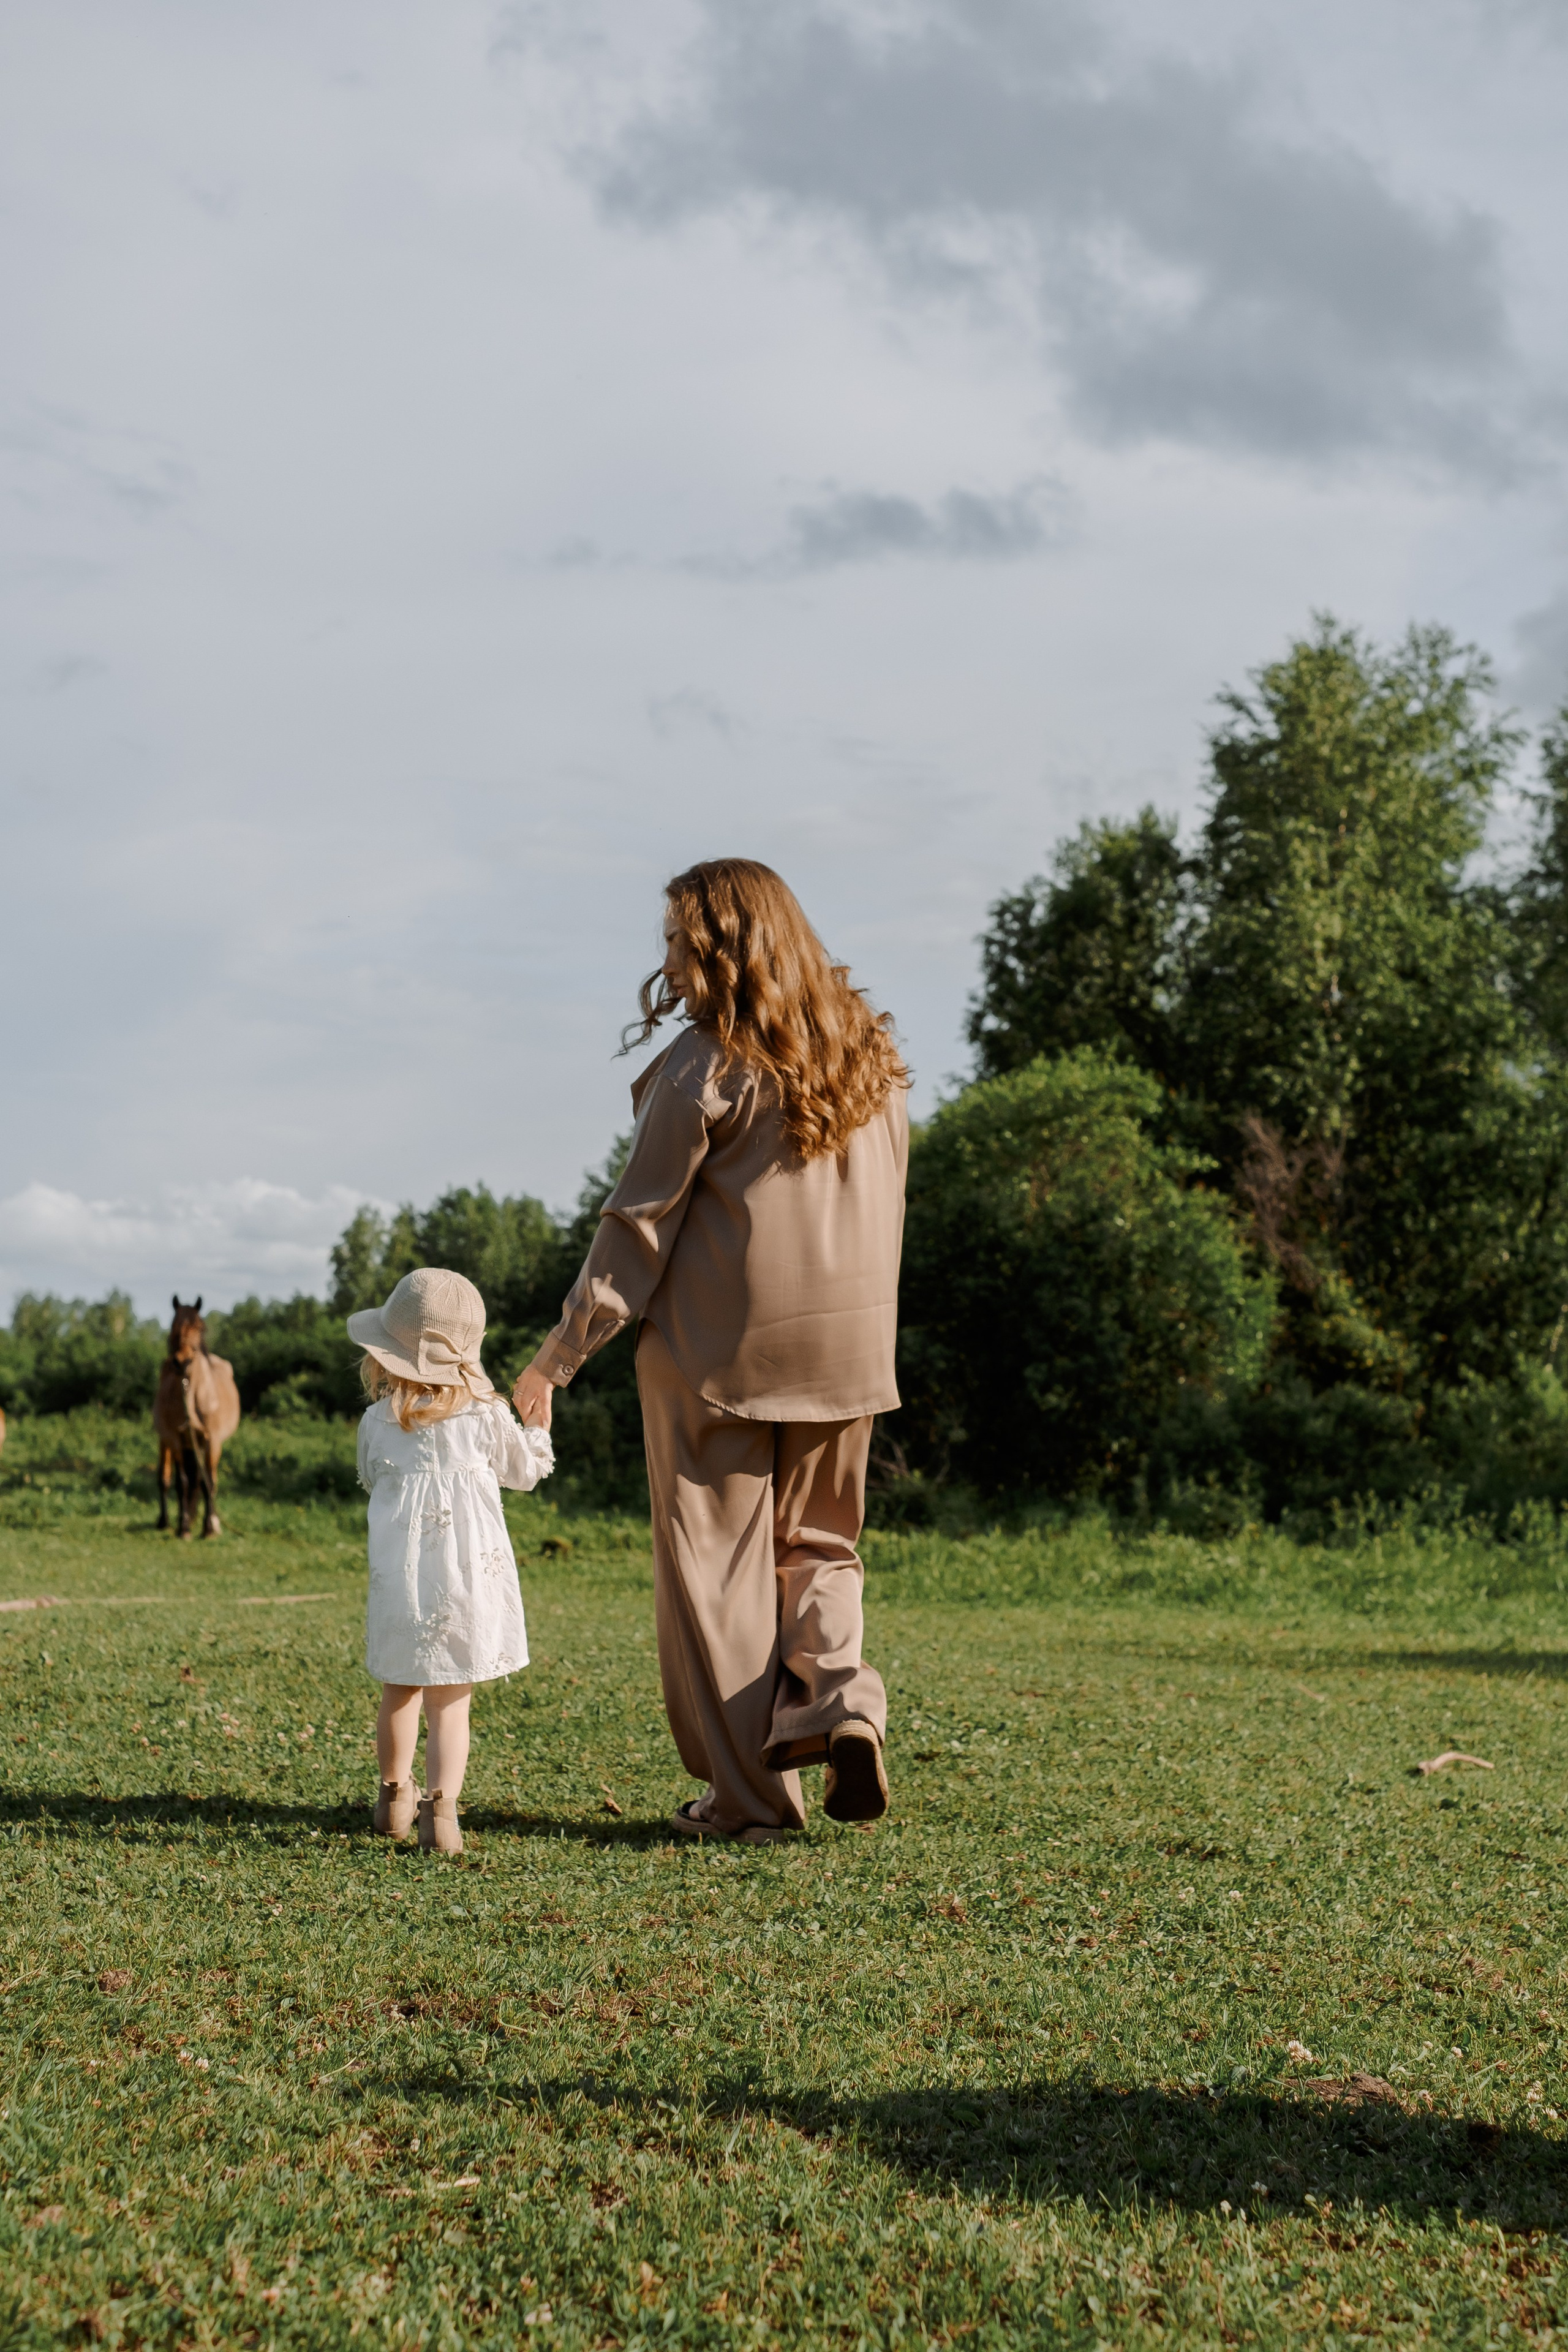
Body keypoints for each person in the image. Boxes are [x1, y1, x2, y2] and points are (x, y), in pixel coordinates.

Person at [513, 858, 908, 1844]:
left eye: (679, 946)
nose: (669, 966)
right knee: (822, 1550)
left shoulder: (706, 1063)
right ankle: (843, 1703)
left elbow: (637, 1228)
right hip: (850, 1356)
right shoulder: (872, 1059)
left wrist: (558, 1356)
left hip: (715, 1360)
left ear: (726, 950)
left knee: (721, 1577)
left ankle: (751, 1805)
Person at [350, 1267, 553, 1855]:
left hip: (399, 1583)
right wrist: (538, 1428)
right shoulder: (485, 1415)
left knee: (399, 1689)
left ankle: (393, 1801)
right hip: (465, 1586)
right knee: (450, 1701)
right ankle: (441, 1818)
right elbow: (525, 1473)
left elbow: (371, 1479)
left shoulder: (376, 1422)